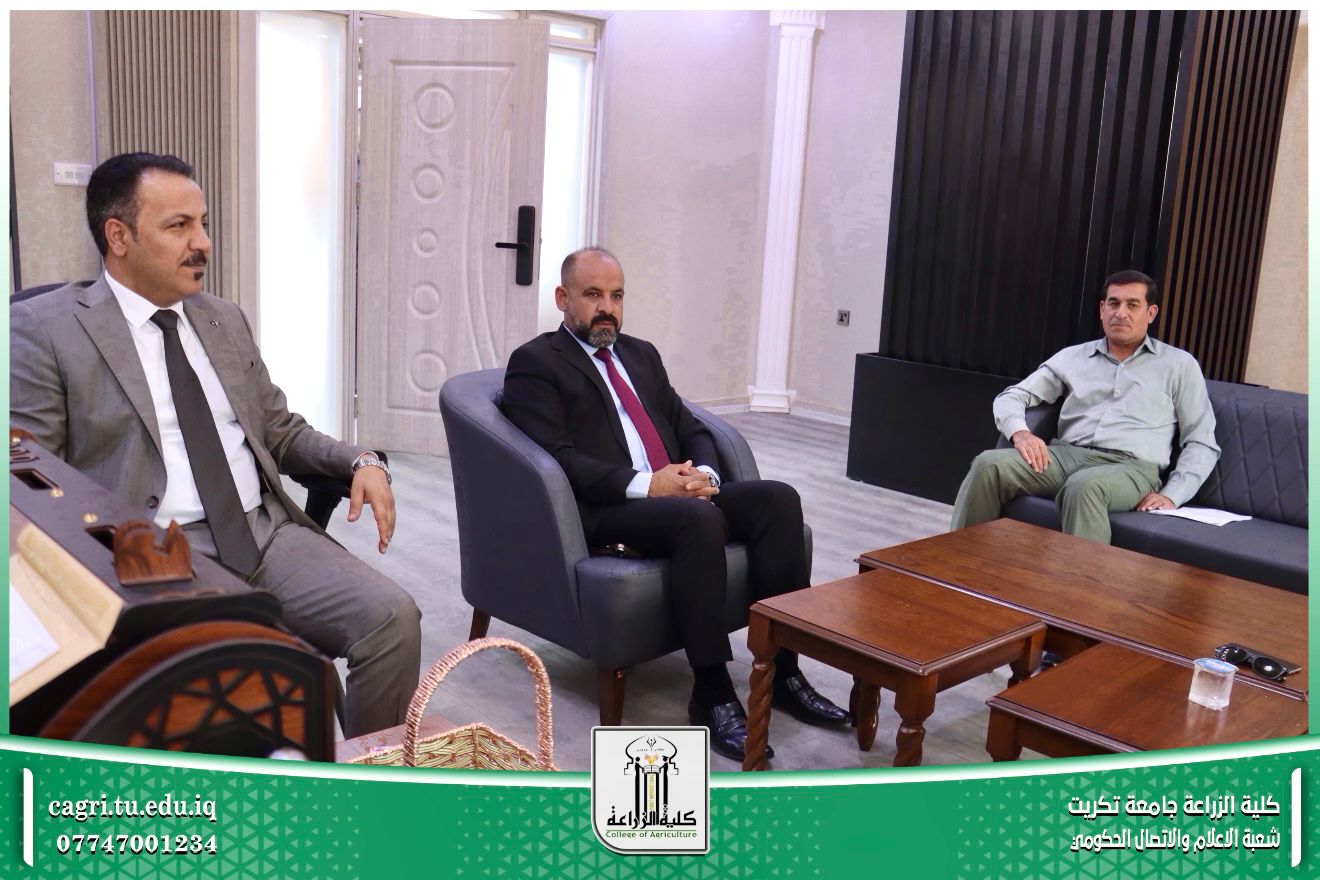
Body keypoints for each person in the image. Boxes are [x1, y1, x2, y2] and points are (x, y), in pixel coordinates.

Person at [10, 152, 421, 738]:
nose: (202, 243)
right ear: (118, 236)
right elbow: (29, 478)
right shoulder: (46, 329)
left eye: (202, 224)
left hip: (260, 532)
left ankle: (362, 780)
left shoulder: (223, 318)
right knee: (235, 687)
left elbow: (279, 429)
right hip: (152, 552)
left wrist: (361, 460)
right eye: (178, 226)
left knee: (392, 619)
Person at [502, 247, 851, 761]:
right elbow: (559, 460)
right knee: (697, 520)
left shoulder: (640, 354)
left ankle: (784, 672)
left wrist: (704, 475)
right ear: (562, 298)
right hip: (608, 506)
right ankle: (710, 690)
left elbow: (690, 426)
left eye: (617, 296)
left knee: (778, 500)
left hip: (677, 493)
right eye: (593, 294)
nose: (607, 308)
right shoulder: (536, 363)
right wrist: (650, 485)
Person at [950, 269, 1220, 544]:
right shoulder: (1073, 358)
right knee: (988, 465)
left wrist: (1172, 494)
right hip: (1064, 456)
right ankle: (959, 562)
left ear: (1151, 313)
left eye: (1132, 305)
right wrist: (1020, 433)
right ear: (1102, 310)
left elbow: (1201, 441)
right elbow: (1013, 395)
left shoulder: (1179, 365)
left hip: (1130, 468)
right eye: (1113, 303)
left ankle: (1082, 575)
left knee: (1085, 487)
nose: (1121, 313)